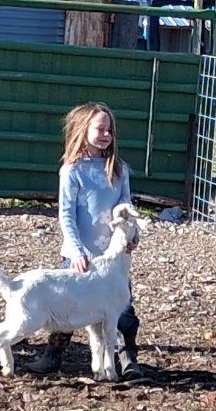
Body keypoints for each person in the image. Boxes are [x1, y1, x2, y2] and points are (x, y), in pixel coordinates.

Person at [23, 102, 143, 379]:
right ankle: (52, 356)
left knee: (121, 308)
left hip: (111, 258)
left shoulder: (118, 169)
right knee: (67, 304)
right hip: (81, 256)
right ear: (82, 130)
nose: (106, 135)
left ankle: (127, 357)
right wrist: (76, 251)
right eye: (100, 129)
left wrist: (130, 236)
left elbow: (126, 207)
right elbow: (66, 215)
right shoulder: (73, 170)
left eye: (109, 130)